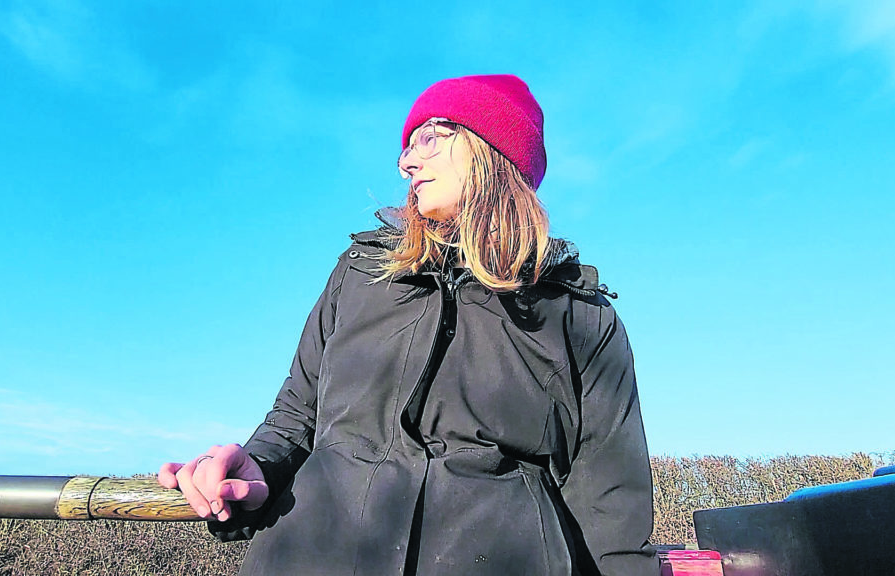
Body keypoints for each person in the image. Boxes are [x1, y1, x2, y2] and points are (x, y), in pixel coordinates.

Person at [159, 74, 658, 575]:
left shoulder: (580, 316)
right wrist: (257, 467)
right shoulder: (359, 273)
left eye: (429, 138)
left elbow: (611, 508)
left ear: (492, 145)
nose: (406, 162)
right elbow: (296, 416)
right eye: (406, 146)